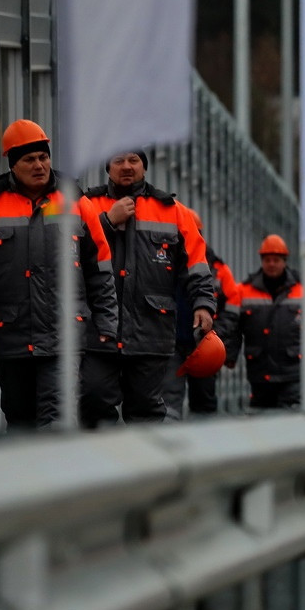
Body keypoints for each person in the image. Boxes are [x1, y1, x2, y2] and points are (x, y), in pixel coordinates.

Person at [0, 120, 119, 431]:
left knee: (56, 420)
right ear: (13, 164)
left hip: (63, 336)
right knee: (20, 421)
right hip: (12, 335)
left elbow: (100, 268)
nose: (39, 165)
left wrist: (107, 321)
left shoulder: (76, 201)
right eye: (29, 159)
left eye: (43, 156)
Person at [80, 150, 215, 426]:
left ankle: (144, 468)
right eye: (118, 160)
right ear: (108, 167)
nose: (126, 167)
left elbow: (197, 264)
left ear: (145, 166)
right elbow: (64, 250)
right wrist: (106, 222)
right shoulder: (86, 204)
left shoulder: (174, 211)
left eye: (134, 160)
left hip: (150, 332)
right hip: (97, 332)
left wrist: (203, 303)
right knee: (93, 402)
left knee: (145, 413)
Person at [231, 234, 305, 408]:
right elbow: (233, 328)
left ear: (285, 261)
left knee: (292, 417)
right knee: (262, 419)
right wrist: (229, 356)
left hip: (295, 373)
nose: (272, 264)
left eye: (276, 260)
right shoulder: (244, 290)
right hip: (260, 373)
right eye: (267, 260)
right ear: (262, 261)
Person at [161, 208, 241, 419]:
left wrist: (214, 334)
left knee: (204, 401)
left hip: (203, 345)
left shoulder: (218, 269)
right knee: (169, 401)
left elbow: (232, 309)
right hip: (172, 343)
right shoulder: (164, 262)